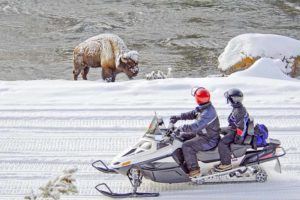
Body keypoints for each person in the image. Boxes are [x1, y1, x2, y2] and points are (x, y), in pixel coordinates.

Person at [170, 87, 221, 178]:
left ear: (198, 99)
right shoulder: (204, 107)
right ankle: (185, 160)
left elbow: (195, 127)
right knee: (181, 137)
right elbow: (193, 113)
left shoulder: (208, 112)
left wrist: (181, 128)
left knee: (187, 145)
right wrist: (178, 117)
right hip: (203, 134)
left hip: (209, 139)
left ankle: (194, 171)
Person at [214, 88, 249, 172]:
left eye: (229, 99)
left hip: (236, 132)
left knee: (222, 143)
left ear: (233, 99)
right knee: (216, 130)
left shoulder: (239, 111)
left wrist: (238, 138)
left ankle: (226, 164)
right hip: (233, 128)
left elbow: (241, 127)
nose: (228, 101)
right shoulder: (236, 108)